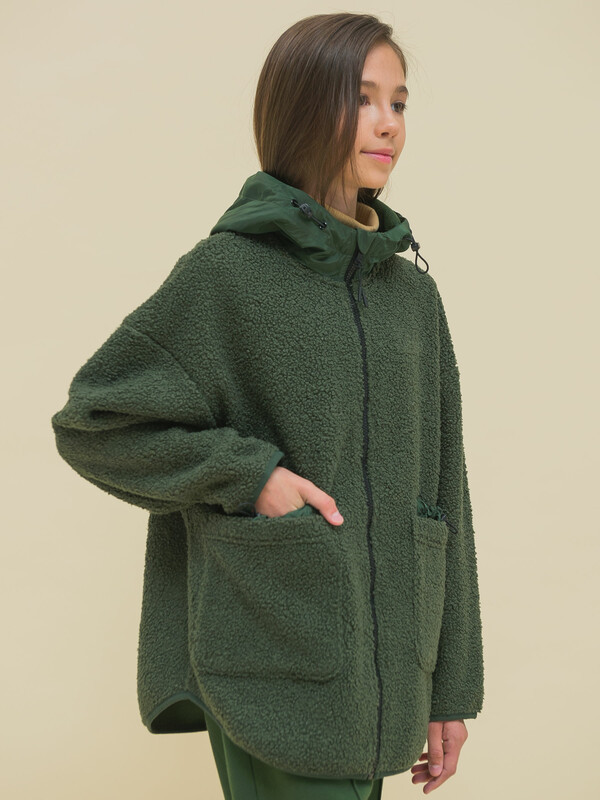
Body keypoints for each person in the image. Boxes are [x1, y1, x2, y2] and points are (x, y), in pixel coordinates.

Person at [50, 11, 484, 799]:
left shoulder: (412, 298)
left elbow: (444, 492)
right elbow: (97, 422)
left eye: (399, 102)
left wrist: (450, 688)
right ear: (303, 108)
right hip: (273, 659)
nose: (389, 123)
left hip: (390, 677)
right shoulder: (229, 275)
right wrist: (254, 478)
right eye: (363, 98)